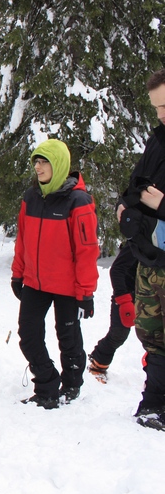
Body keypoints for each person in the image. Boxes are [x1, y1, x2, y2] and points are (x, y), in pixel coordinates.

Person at [11, 139, 99, 409]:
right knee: (28, 334)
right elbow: (22, 240)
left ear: (58, 164)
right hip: (36, 283)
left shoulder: (78, 201)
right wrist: (18, 274)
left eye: (43, 162)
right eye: (36, 162)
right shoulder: (31, 197)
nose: (38, 167)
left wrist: (85, 292)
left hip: (67, 287)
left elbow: (87, 250)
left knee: (68, 338)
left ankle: (71, 384)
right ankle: (47, 384)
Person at [115, 68, 165, 430]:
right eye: (156, 108)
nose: (161, 115)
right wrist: (125, 208)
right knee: (151, 333)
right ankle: (153, 402)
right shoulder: (158, 140)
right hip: (151, 257)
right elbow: (137, 184)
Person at [87, 245, 138, 383]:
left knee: (156, 339)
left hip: (155, 295)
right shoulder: (141, 238)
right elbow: (116, 270)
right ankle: (97, 364)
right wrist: (123, 299)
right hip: (127, 293)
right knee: (118, 334)